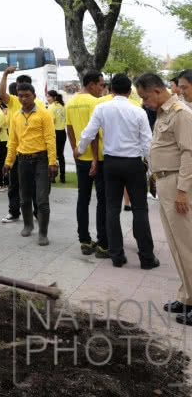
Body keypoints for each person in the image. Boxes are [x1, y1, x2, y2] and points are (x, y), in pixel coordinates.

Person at [77, 73, 158, 269]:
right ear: (130, 92)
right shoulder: (138, 110)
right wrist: (152, 169)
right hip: (134, 164)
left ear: (110, 90)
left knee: (112, 209)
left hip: (111, 164)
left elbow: (89, 133)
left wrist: (79, 149)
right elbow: (147, 142)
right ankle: (147, 258)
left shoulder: (102, 108)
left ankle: (117, 256)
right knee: (140, 209)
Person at [135, 73, 192, 323]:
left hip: (177, 185)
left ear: (157, 91)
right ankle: (187, 296)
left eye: (145, 97)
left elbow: (189, 153)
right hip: (164, 182)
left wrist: (182, 190)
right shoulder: (162, 113)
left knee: (187, 246)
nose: (144, 102)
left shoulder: (181, 114)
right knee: (176, 245)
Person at [4, 83, 57, 245]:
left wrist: (52, 162)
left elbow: (50, 139)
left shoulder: (44, 115)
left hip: (41, 160)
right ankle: (28, 225)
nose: (23, 99)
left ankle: (43, 232)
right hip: (23, 160)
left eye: (27, 95)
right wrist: (8, 162)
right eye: (20, 96)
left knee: (42, 199)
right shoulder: (16, 117)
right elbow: (13, 141)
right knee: (24, 197)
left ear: (34, 95)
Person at [65, 69, 109, 257]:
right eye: (100, 84)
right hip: (96, 159)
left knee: (83, 200)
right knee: (102, 200)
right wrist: (93, 159)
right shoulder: (95, 102)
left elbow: (70, 128)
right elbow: (93, 133)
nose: (102, 88)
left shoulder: (71, 102)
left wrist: (75, 149)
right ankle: (102, 242)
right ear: (91, 84)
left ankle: (84, 239)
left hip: (81, 158)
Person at [0, 70, 44, 222]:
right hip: (16, 150)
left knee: (36, 186)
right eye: (20, 90)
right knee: (14, 184)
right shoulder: (13, 101)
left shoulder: (39, 106)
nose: (23, 96)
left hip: (35, 152)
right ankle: (14, 211)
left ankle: (38, 212)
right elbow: (2, 93)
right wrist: (5, 75)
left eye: (26, 91)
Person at [47, 90, 67, 183]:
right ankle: (62, 177)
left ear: (54, 97)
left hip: (54, 133)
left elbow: (52, 122)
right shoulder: (62, 106)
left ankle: (52, 177)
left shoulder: (51, 107)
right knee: (61, 155)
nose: (47, 98)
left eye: (49, 97)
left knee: (52, 155)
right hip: (62, 132)